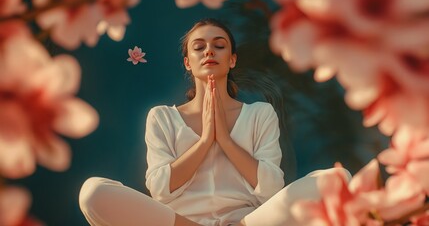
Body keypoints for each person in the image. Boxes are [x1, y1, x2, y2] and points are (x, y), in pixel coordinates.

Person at [79, 18, 351, 226]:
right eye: (199, 47)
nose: (209, 51)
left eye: (219, 45)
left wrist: (226, 140)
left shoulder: (260, 114)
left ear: (231, 60)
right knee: (93, 192)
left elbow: (271, 189)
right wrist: (206, 139)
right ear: (188, 62)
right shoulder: (162, 117)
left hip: (247, 222)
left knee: (338, 180)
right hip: (180, 223)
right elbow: (160, 190)